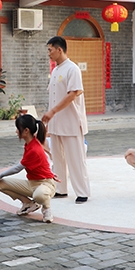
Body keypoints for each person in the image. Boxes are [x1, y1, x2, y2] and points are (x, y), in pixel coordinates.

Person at [41, 36, 90, 204]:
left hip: (71, 122)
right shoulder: (55, 70)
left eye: (50, 50)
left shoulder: (72, 69)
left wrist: (52, 111)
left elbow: (72, 95)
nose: (49, 53)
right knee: (58, 158)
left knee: (75, 159)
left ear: (59, 49)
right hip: (56, 123)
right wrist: (49, 120)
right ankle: (61, 189)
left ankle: (82, 191)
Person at [0, 114, 57, 223]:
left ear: (26, 130)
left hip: (45, 184)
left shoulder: (34, 149)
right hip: (32, 183)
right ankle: (28, 203)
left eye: (18, 129)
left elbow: (18, 168)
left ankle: (47, 208)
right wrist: (0, 178)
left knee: (39, 195)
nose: (16, 131)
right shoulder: (30, 144)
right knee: (0, 184)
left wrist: (0, 175)